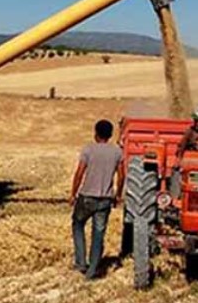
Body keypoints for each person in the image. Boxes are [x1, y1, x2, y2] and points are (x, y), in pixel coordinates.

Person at [70, 119, 125, 280]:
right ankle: (93, 269)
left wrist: (73, 194)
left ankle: (81, 262)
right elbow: (122, 175)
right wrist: (118, 195)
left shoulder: (88, 150)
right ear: (110, 135)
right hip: (105, 200)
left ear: (96, 133)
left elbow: (79, 173)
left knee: (78, 224)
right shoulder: (117, 152)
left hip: (87, 197)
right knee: (98, 233)